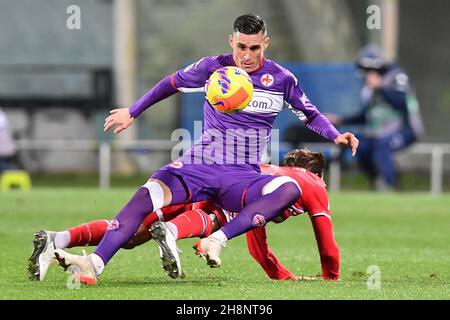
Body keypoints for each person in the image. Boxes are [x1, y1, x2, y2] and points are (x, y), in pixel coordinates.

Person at [52, 14, 357, 284]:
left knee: (289, 187)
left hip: (242, 175)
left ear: (266, 43)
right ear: (231, 41)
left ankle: (217, 240)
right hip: (201, 164)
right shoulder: (213, 68)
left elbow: (311, 114)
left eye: (254, 48)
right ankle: (94, 263)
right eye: (241, 47)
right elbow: (170, 83)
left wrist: (335, 136)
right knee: (147, 196)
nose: (247, 56)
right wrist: (133, 111)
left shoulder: (281, 79)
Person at [30, 149, 339, 282]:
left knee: (130, 234)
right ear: (318, 175)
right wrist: (330, 278)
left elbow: (255, 225)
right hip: (215, 196)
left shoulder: (269, 173)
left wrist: (278, 273)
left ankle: (59, 238)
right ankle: (177, 234)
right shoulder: (312, 185)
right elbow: (327, 246)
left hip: (191, 181)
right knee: (218, 218)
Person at [327, 44, 423, 190]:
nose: (367, 74)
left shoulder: (397, 77)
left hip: (407, 129)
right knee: (359, 144)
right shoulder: (369, 89)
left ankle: (390, 186)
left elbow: (402, 104)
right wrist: (341, 120)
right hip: (380, 133)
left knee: (383, 145)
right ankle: (375, 180)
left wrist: (381, 87)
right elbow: (368, 116)